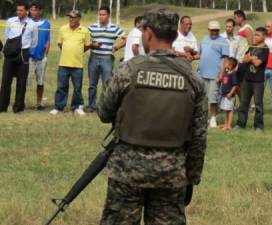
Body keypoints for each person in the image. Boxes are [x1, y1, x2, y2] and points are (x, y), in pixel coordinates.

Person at [97, 8, 208, 225]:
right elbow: (199, 136)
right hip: (171, 172)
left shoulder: (128, 71)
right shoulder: (192, 79)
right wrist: (191, 177)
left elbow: (103, 112)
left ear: (148, 33)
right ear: (175, 36)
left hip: (126, 170)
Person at [49, 10, 91, 115]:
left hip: (77, 65)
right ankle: (59, 107)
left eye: (73, 17)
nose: (71, 19)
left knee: (77, 88)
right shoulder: (63, 29)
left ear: (79, 18)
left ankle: (77, 107)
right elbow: (60, 44)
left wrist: (77, 51)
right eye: (70, 17)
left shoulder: (85, 30)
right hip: (63, 64)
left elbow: (87, 46)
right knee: (61, 87)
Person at [86, 6, 126, 113]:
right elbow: (84, 39)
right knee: (92, 85)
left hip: (107, 59)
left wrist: (117, 47)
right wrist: (92, 44)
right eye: (99, 14)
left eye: (103, 15)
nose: (101, 17)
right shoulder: (92, 27)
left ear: (108, 15)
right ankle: (91, 106)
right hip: (93, 58)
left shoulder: (114, 28)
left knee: (106, 84)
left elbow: (126, 38)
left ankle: (104, 107)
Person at [0, 2, 37, 113]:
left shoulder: (32, 24)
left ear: (27, 11)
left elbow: (34, 42)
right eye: (17, 10)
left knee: (21, 82)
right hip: (10, 54)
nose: (18, 12)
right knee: (6, 80)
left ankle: (18, 107)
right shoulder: (11, 21)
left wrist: (25, 50)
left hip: (24, 54)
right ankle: (2, 107)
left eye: (21, 10)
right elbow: (6, 35)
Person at [235, 27, 268, 132]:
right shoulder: (252, 47)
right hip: (247, 79)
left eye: (258, 35)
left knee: (258, 104)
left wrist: (250, 57)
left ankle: (258, 126)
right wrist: (252, 57)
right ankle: (240, 124)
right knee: (243, 103)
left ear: (264, 36)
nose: (255, 37)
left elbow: (258, 63)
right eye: (255, 34)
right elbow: (243, 59)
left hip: (258, 81)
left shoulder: (265, 49)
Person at [197, 20, 229, 128]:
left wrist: (221, 73)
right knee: (203, 98)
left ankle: (213, 118)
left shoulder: (223, 41)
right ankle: (205, 118)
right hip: (202, 73)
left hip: (215, 75)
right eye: (212, 30)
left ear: (219, 30)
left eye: (216, 30)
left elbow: (225, 59)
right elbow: (199, 54)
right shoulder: (204, 39)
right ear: (208, 30)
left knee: (213, 98)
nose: (214, 32)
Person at [28, 1, 50, 111]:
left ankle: (39, 103)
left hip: (41, 57)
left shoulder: (46, 23)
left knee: (40, 82)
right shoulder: (26, 22)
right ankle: (20, 101)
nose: (33, 12)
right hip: (29, 57)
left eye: (35, 9)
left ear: (40, 11)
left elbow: (47, 39)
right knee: (24, 81)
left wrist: (46, 52)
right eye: (31, 9)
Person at [218, 57, 238, 130]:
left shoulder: (233, 74)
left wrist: (230, 93)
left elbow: (235, 85)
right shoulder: (226, 72)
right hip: (224, 95)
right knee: (226, 110)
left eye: (226, 63)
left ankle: (229, 125)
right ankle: (225, 124)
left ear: (230, 65)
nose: (224, 64)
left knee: (230, 110)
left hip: (229, 96)